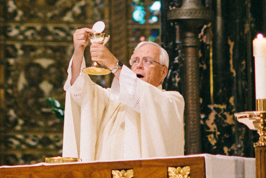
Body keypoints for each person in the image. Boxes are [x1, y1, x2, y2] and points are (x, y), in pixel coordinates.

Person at [62, 27, 184, 160]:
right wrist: (79, 52)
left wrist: (113, 64)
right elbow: (79, 91)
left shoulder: (172, 101)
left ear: (163, 72)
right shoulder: (111, 99)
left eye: (147, 61)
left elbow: (143, 96)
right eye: (135, 61)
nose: (139, 66)